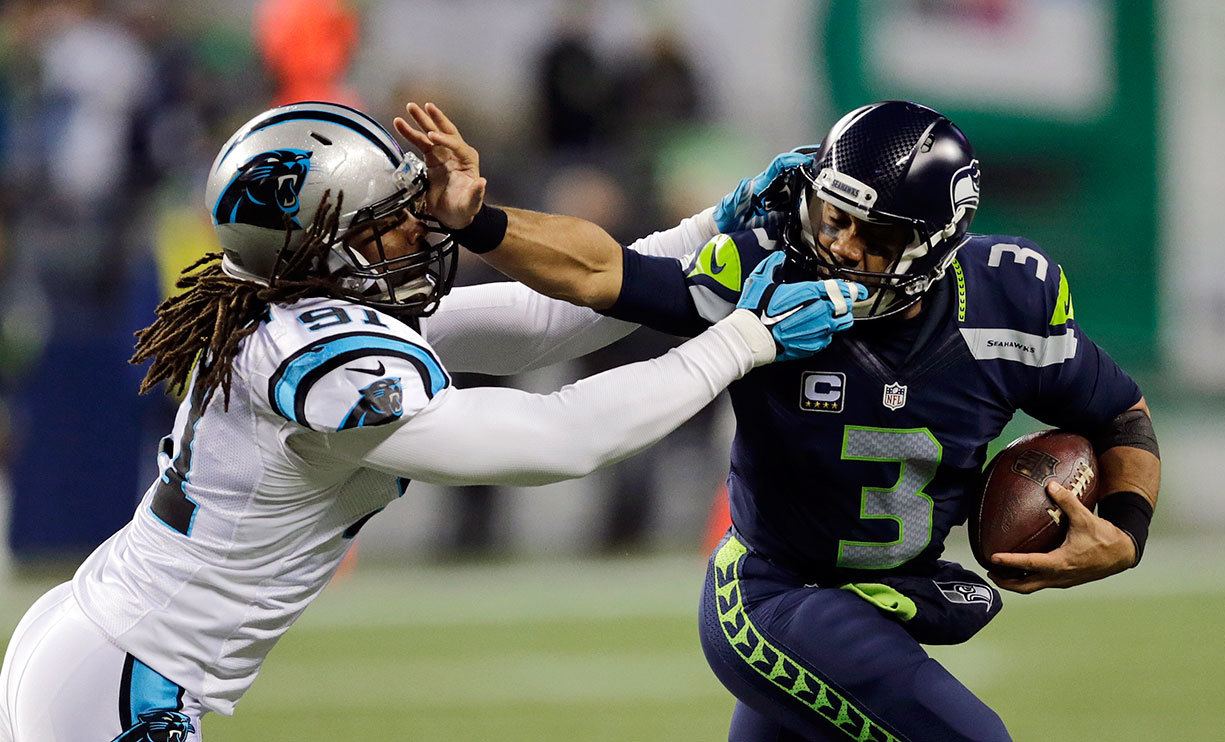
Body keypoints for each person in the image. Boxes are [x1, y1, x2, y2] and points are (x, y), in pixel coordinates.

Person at [0, 101, 863, 742]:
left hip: (105, 640)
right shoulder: (317, 354)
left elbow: (545, 323)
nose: (415, 233)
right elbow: (561, 438)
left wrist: (717, 223)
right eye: (385, 224)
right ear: (315, 246)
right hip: (121, 673)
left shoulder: (304, 301)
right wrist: (744, 340)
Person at [399, 100, 1162, 741]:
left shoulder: (1010, 302)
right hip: (773, 596)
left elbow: (1120, 415)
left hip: (889, 598)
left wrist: (1125, 531)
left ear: (936, 245)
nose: (841, 244)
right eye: (834, 215)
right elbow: (602, 271)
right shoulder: (773, 271)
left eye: (875, 235)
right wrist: (483, 223)